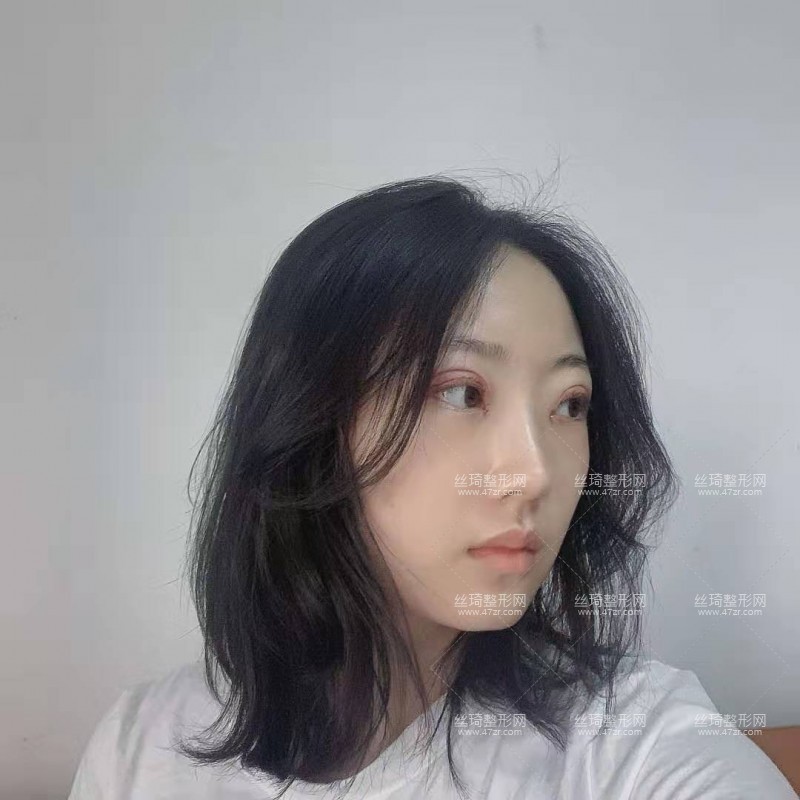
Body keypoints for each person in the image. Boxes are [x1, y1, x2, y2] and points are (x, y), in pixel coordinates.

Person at [67, 175, 797, 799]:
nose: (536, 472)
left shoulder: (636, 740)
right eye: (462, 392)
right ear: (309, 420)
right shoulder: (143, 747)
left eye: (570, 405)